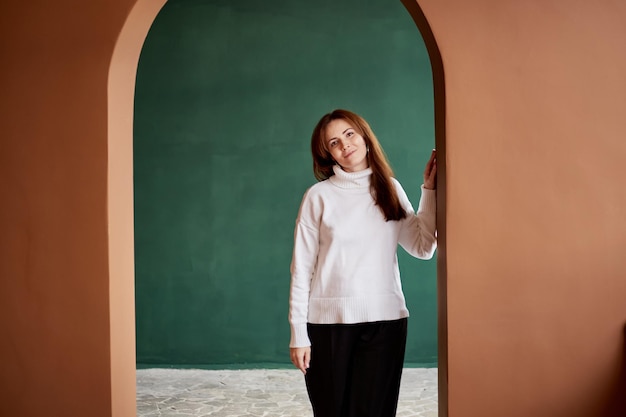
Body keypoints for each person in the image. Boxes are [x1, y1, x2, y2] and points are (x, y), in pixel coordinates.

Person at [288, 109, 437, 417]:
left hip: (385, 323)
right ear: (328, 155)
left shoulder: (390, 189)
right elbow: (301, 270)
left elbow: (423, 247)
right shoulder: (319, 197)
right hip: (328, 327)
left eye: (349, 134)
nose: (345, 145)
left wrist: (429, 190)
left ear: (365, 136)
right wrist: (298, 334)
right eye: (333, 142)